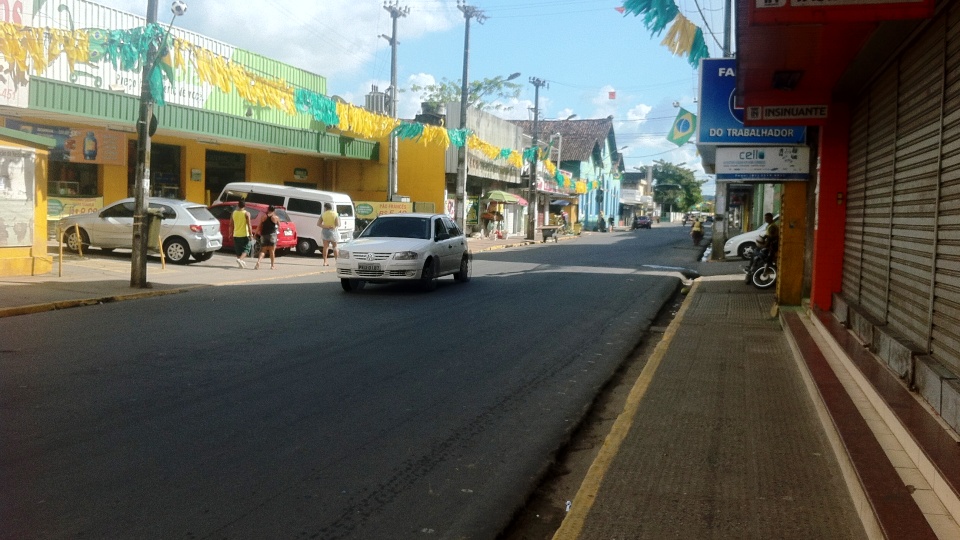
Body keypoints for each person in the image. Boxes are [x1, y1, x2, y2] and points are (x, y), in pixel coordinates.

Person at [255, 205, 280, 270]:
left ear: (268, 209)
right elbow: (279, 226)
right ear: (274, 210)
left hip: (264, 235)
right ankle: (272, 265)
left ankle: (258, 262)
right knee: (272, 251)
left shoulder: (263, 217)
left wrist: (255, 234)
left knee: (263, 250)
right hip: (272, 235)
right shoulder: (275, 217)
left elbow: (259, 225)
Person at [230, 200, 253, 268]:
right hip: (244, 234)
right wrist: (251, 234)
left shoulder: (233, 213)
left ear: (238, 205)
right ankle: (240, 259)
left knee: (238, 250)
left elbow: (231, 224)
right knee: (247, 248)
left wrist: (230, 233)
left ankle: (240, 262)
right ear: (244, 206)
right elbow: (249, 224)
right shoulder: (246, 213)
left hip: (236, 234)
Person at [318, 202, 340, 266]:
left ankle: (325, 262)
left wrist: (326, 226)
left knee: (325, 247)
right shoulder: (335, 214)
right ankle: (337, 262)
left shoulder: (323, 214)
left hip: (325, 232)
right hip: (333, 231)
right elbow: (338, 224)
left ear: (326, 208)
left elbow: (318, 224)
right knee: (335, 247)